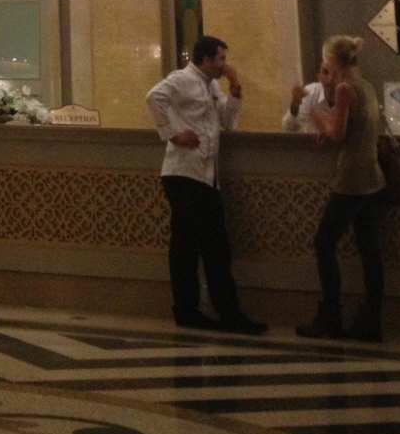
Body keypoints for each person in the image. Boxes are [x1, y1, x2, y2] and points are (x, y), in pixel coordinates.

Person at [146, 35, 267, 335]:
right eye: (221, 59)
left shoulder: (211, 86)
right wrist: (173, 133)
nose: (224, 65)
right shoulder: (182, 79)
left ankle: (219, 311)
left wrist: (235, 88)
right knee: (190, 246)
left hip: (206, 175)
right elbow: (154, 97)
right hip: (183, 173)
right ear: (206, 59)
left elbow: (228, 121)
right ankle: (195, 310)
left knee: (212, 246)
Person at [297, 34, 385, 342]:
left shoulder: (345, 88)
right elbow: (353, 128)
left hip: (351, 178)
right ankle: (371, 319)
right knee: (370, 250)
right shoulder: (367, 86)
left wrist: (315, 114)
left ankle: (330, 315)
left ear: (332, 61)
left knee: (323, 242)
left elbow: (336, 134)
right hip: (372, 175)